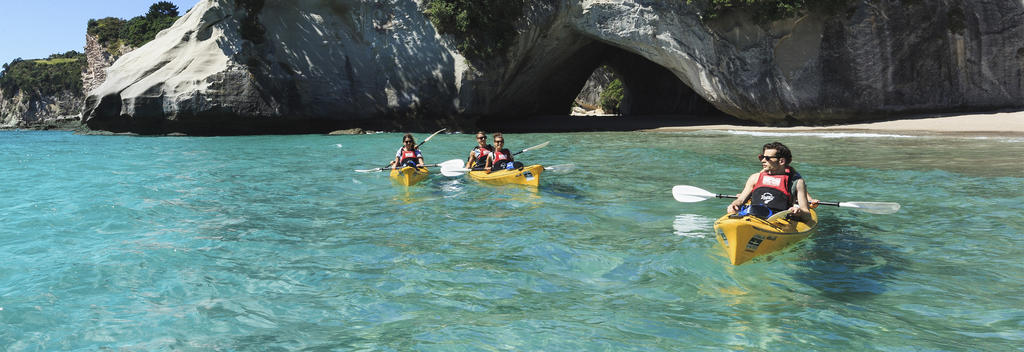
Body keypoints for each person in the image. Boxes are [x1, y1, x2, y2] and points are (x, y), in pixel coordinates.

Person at [727, 142, 814, 219]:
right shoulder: (755, 177)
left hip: (778, 220)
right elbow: (741, 200)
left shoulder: (796, 182)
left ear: (781, 161)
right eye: (762, 157)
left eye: (767, 158)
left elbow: (806, 214)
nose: (763, 160)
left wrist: (798, 212)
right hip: (752, 215)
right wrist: (734, 204)